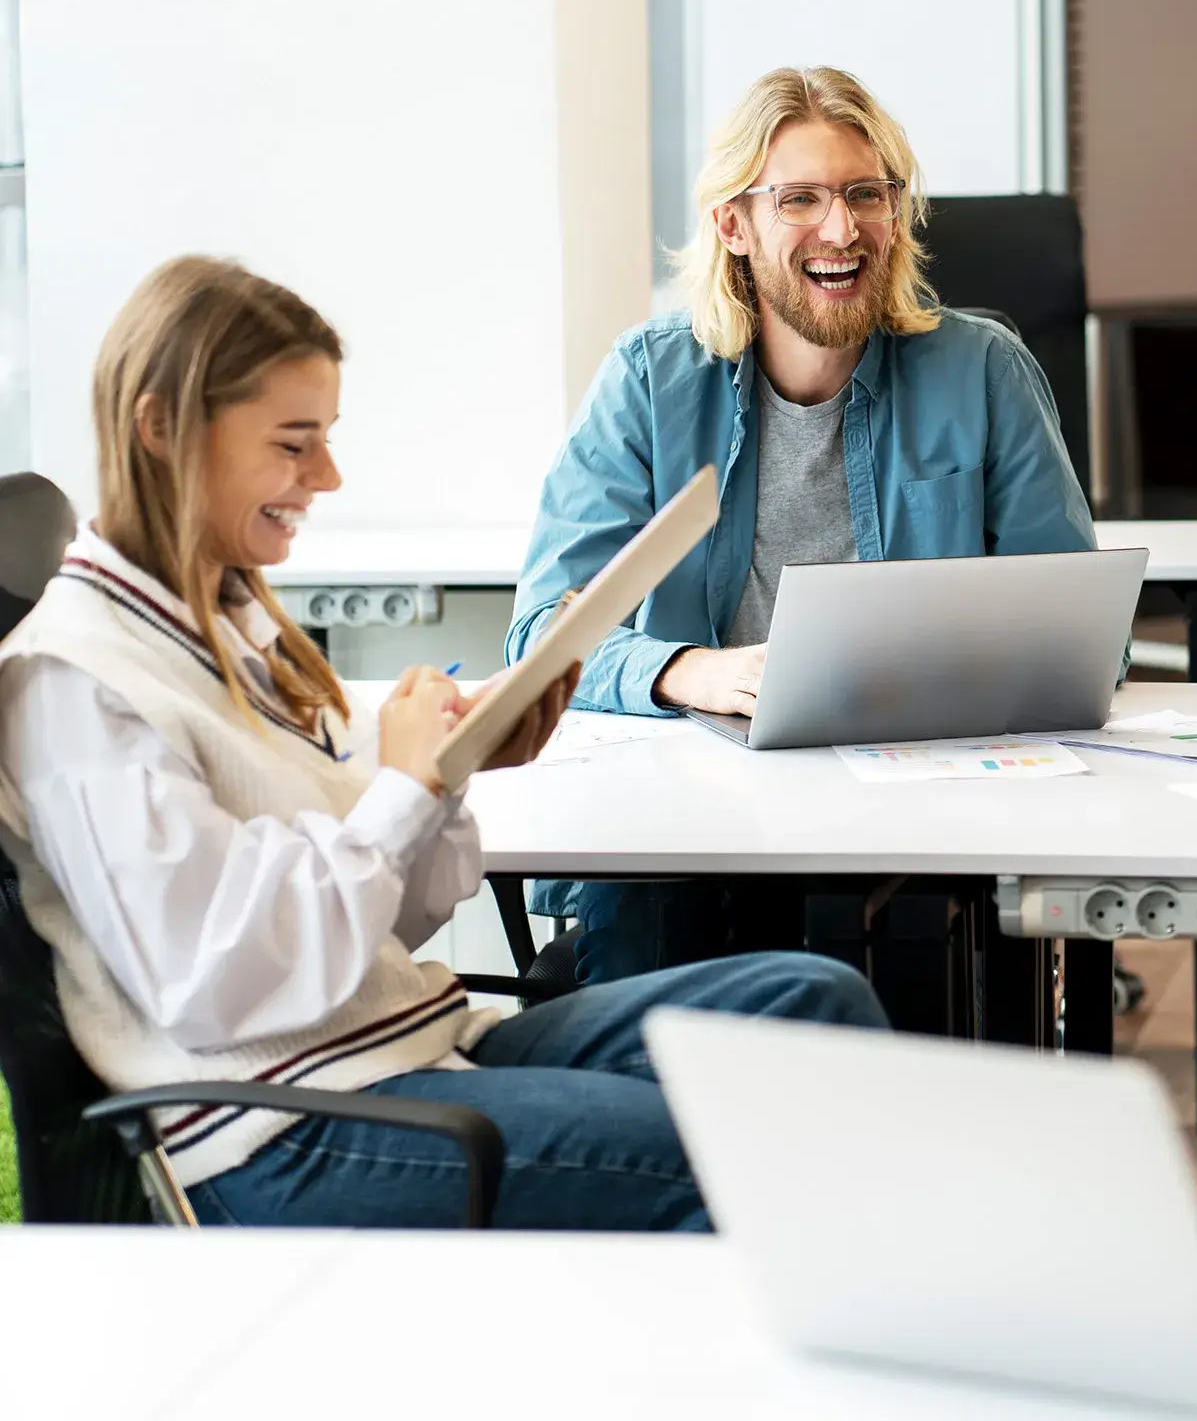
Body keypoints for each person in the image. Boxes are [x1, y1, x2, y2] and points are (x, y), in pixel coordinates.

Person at [0, 255, 887, 1230]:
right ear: (163, 427)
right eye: (295, 444)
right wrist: (405, 788)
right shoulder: (80, 681)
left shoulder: (232, 623)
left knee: (813, 1003)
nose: (326, 478)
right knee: (743, 1153)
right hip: (282, 1124)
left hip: (404, 1043)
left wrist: (455, 771)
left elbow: (384, 926)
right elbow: (212, 990)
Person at [508, 65, 1106, 985]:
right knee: (653, 947)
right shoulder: (650, 382)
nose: (842, 229)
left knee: (937, 974)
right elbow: (543, 631)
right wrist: (694, 672)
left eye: (866, 194)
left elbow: (1076, 632)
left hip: (917, 808)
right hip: (694, 819)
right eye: (801, 199)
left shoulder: (984, 371)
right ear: (733, 226)